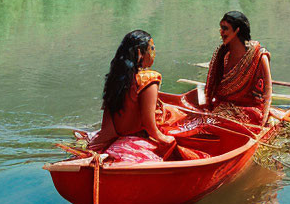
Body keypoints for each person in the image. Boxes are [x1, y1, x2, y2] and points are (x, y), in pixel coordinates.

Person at [87, 30, 186, 162]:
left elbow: (107, 128)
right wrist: (166, 139)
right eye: (152, 48)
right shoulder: (149, 79)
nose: (154, 53)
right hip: (136, 140)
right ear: (140, 53)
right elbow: (150, 127)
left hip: (115, 138)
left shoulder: (114, 79)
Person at [203, 11, 272, 126]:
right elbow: (211, 87)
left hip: (249, 110)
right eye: (221, 28)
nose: (221, 32)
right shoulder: (222, 55)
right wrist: (206, 106)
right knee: (208, 120)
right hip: (223, 107)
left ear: (237, 30)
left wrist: (264, 119)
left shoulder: (259, 56)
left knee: (223, 122)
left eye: (225, 28)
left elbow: (268, 91)